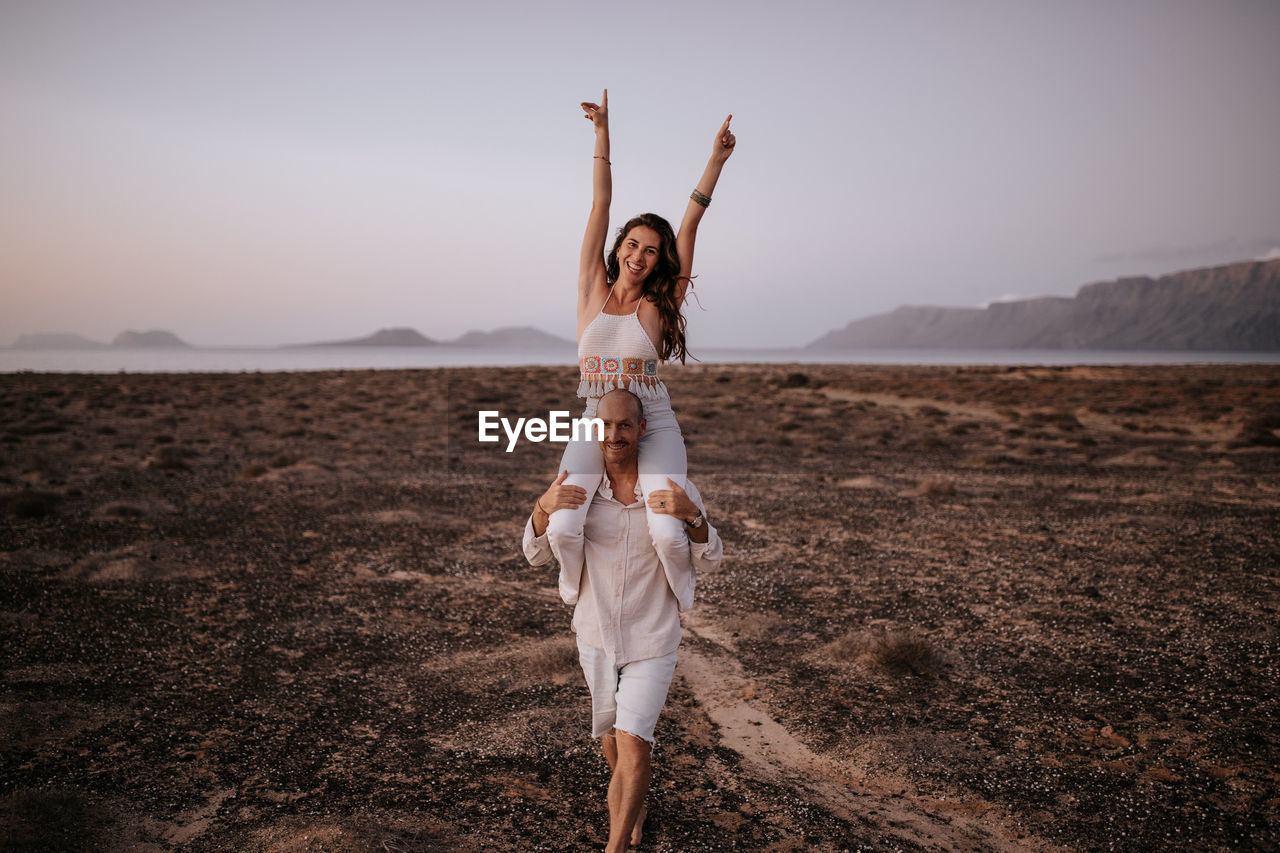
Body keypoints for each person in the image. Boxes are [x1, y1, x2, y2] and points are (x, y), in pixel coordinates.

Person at [545, 88, 736, 614]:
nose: (638, 255)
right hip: (594, 414)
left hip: (651, 415)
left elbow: (691, 223)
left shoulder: (658, 304)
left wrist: (715, 161)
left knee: (669, 532)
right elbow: (600, 203)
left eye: (651, 251)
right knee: (563, 526)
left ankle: (680, 592)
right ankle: (575, 587)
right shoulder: (592, 288)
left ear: (658, 262)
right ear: (619, 247)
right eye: (632, 244)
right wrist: (602, 132)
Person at [524, 389, 723, 851]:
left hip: (653, 636)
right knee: (611, 733)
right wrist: (543, 504)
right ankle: (634, 803)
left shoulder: (672, 488)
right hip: (595, 633)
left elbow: (711, 558)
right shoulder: (579, 493)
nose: (614, 435)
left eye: (625, 426)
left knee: (635, 739)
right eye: (606, 425)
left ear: (642, 429)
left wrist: (692, 516)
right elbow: (533, 554)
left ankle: (615, 846)